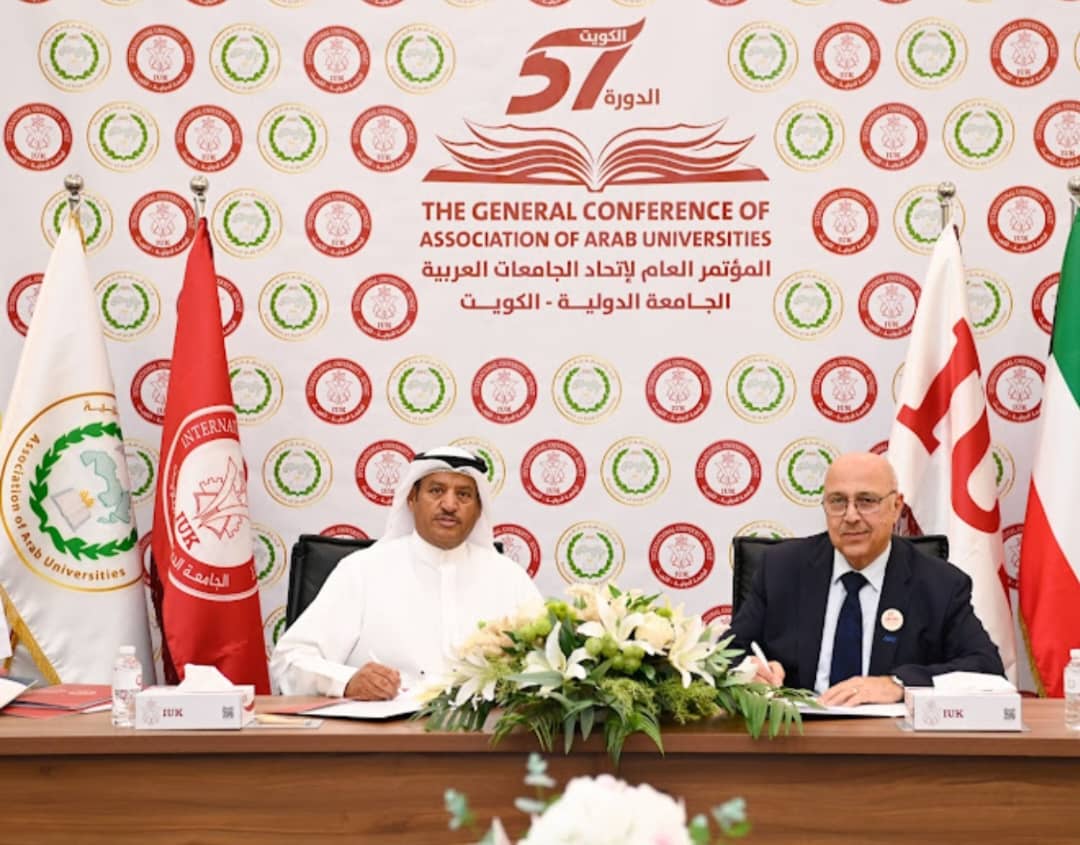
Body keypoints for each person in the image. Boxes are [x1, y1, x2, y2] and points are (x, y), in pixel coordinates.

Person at [727, 451, 1004, 705]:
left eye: (866, 501)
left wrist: (898, 684)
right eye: (838, 501)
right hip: (796, 733)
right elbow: (727, 655)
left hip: (891, 738)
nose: (850, 516)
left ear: (896, 507)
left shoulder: (939, 584)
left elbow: (986, 668)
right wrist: (749, 671)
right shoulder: (781, 569)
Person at [271, 445, 543, 699]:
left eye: (463, 495)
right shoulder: (362, 571)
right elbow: (289, 661)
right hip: (383, 732)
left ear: (479, 508)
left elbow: (547, 666)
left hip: (484, 733)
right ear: (411, 499)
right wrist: (346, 682)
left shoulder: (509, 578)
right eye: (436, 491)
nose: (449, 505)